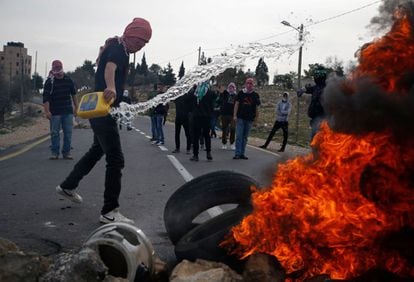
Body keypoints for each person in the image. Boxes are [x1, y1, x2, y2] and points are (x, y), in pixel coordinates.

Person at [55, 17, 152, 224]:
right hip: (103, 109)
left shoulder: (121, 48)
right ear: (133, 35)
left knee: (97, 150)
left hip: (100, 109)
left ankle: (68, 185)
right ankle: (110, 211)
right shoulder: (118, 48)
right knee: (116, 158)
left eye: (145, 44)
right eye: (141, 41)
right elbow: (110, 69)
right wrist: (112, 87)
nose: (141, 47)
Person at [43, 60, 78, 160]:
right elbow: (46, 98)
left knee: (68, 133)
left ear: (62, 67)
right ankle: (55, 153)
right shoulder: (50, 82)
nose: (57, 69)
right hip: (55, 112)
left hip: (67, 111)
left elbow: (74, 94)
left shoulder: (68, 79)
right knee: (55, 133)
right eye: (55, 67)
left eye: (59, 67)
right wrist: (47, 111)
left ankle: (66, 153)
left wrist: (76, 107)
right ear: (53, 68)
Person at [233, 78, 261, 160]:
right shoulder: (241, 93)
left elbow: (257, 108)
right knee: (239, 136)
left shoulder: (255, 95)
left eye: (251, 83)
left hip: (249, 119)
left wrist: (256, 119)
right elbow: (236, 104)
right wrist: (234, 115)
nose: (249, 85)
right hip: (240, 117)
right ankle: (237, 153)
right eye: (248, 83)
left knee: (245, 137)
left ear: (253, 85)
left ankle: (242, 153)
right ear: (245, 84)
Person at [297, 67, 328, 141]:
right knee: (314, 138)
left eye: (316, 76)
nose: (315, 78)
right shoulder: (317, 87)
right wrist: (302, 90)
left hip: (322, 118)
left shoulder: (327, 88)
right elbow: (308, 89)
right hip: (315, 118)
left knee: (317, 138)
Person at [189, 81, 216, 161]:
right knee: (207, 135)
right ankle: (208, 153)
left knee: (196, 136)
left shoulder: (195, 92)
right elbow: (214, 101)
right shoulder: (210, 92)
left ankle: (195, 155)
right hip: (207, 116)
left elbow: (190, 102)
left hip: (197, 116)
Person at [172, 85, 195, 154]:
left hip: (185, 116)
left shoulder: (187, 96)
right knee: (178, 133)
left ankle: (187, 148)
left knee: (187, 133)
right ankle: (178, 148)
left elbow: (192, 96)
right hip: (179, 116)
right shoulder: (178, 97)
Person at [220, 82, 237, 150]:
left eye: (232, 87)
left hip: (232, 115)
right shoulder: (225, 93)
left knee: (233, 128)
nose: (231, 88)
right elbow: (221, 98)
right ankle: (224, 143)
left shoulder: (236, 95)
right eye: (230, 87)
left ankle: (232, 143)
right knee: (224, 129)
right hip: (224, 114)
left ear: (234, 88)